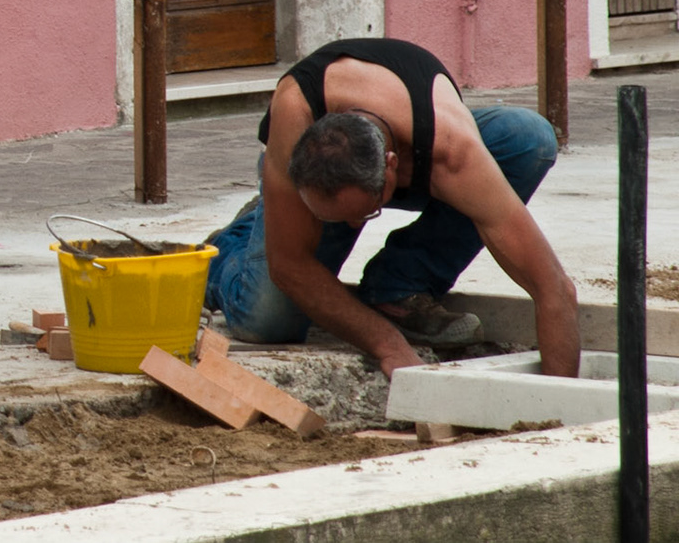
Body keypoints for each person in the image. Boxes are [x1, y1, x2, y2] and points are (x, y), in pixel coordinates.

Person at [204, 37, 579, 378]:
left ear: (392, 165)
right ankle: (228, 248)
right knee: (268, 321)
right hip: (314, 174)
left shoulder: (451, 152)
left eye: (365, 213)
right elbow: (290, 267)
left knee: (527, 139)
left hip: (419, 141)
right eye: (337, 217)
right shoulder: (294, 114)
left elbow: (554, 289)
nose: (353, 226)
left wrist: (556, 405)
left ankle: (399, 286)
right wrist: (387, 344)